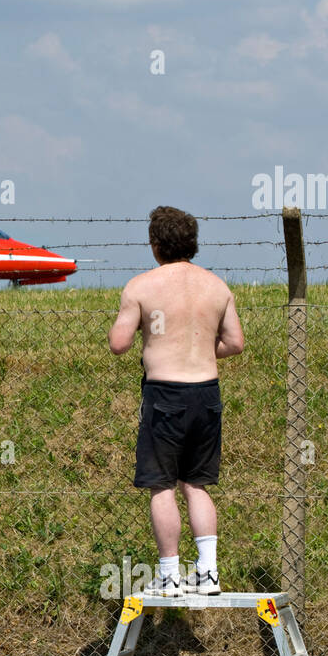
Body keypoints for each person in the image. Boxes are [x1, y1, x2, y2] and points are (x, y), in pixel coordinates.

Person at [108, 207, 245, 597]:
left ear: (155, 245)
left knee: (162, 486)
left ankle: (168, 573)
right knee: (197, 485)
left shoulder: (141, 287)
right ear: (192, 243)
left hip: (165, 394)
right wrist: (198, 346)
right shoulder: (217, 287)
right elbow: (235, 343)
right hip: (206, 393)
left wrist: (150, 337)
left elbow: (119, 345)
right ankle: (208, 573)